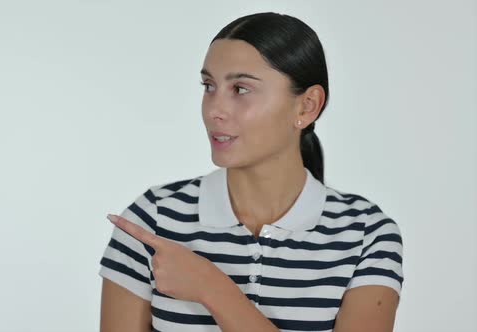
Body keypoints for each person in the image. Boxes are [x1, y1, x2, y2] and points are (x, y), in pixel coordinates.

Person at [98, 11, 404, 332]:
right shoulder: (152, 220)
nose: (214, 109)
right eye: (209, 86)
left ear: (307, 106)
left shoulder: (367, 235)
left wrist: (212, 288)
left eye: (241, 89)